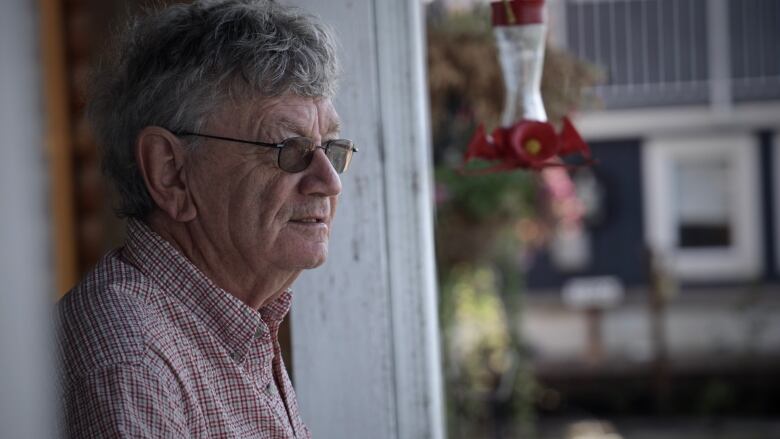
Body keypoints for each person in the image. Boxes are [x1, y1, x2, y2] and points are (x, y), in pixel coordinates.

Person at [56, 1, 356, 437]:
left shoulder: (232, 321)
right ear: (171, 172)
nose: (329, 182)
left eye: (330, 148)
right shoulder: (133, 363)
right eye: (289, 149)